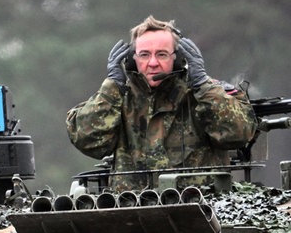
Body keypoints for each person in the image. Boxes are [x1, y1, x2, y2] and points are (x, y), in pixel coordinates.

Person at [66, 15, 257, 192]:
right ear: (132, 59)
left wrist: (202, 84)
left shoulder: (205, 94)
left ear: (178, 58)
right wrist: (111, 86)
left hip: (199, 211)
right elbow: (88, 141)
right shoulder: (117, 98)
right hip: (131, 212)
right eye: (144, 55)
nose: (153, 63)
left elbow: (238, 134)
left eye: (162, 54)